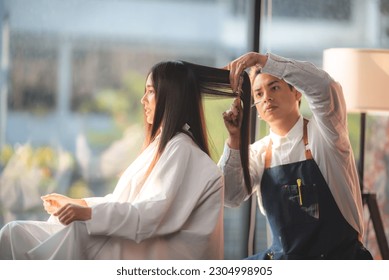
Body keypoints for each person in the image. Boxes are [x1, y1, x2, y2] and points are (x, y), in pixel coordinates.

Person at [0, 60, 252, 260]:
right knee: (14, 235)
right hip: (135, 246)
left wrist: (86, 213)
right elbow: (125, 202)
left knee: (15, 235)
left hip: (149, 257)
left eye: (151, 92)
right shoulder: (162, 148)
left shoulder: (181, 150)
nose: (143, 100)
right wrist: (78, 203)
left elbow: (149, 215)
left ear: (170, 97)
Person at [219, 51, 373, 259]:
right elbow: (229, 195)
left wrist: (264, 61)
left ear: (297, 93)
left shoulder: (326, 137)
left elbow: (325, 88)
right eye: (259, 94)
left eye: (274, 87)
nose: (267, 98)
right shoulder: (258, 153)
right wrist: (235, 140)